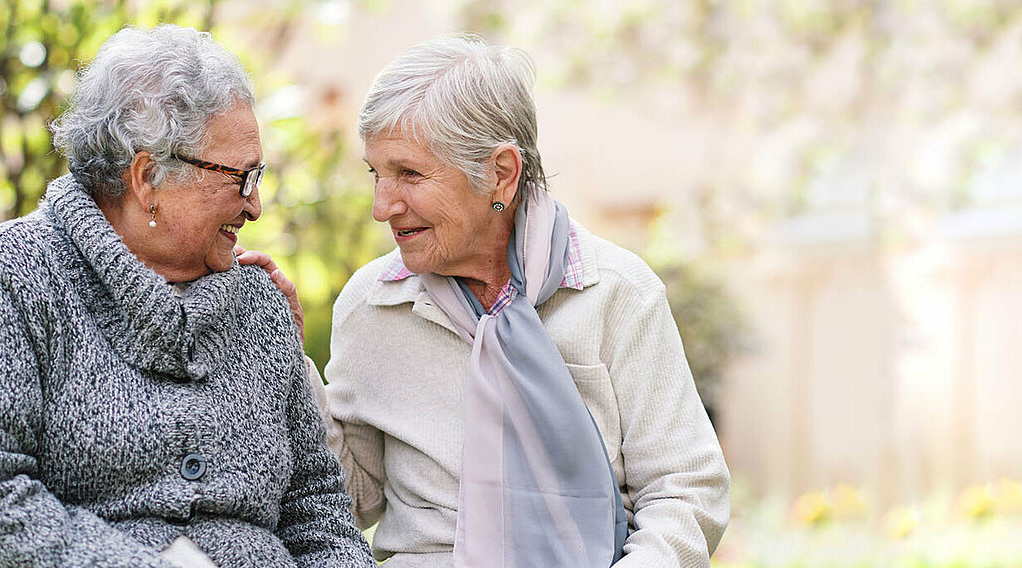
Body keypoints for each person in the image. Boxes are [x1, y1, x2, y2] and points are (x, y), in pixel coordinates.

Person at [0, 25, 372, 568]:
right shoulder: (10, 277)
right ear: (149, 176)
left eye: (259, 176)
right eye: (241, 178)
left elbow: (318, 509)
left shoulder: (257, 303)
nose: (255, 207)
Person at [261, 36, 730, 567]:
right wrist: (289, 363)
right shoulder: (371, 307)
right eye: (376, 173)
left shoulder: (617, 293)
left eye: (409, 174)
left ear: (501, 173)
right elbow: (352, 499)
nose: (382, 206)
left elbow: (686, 490)